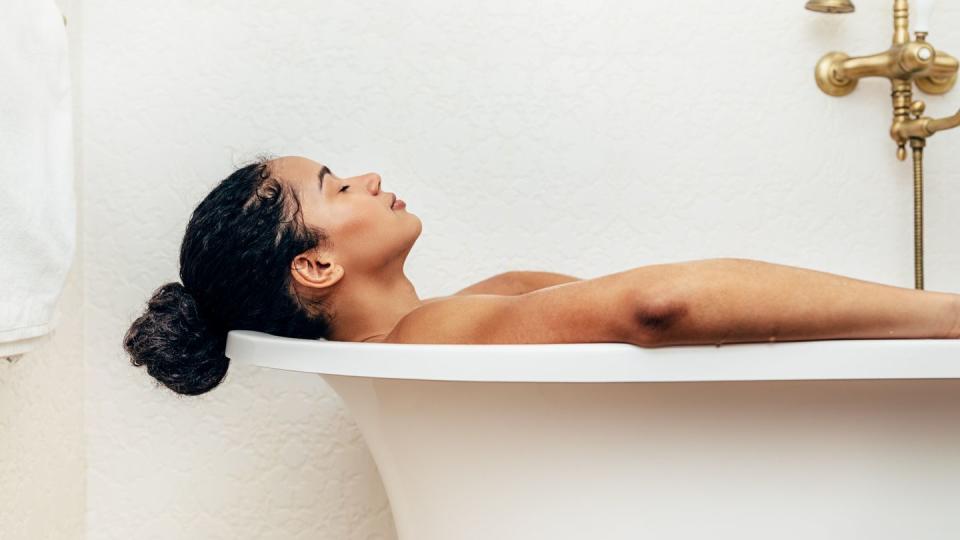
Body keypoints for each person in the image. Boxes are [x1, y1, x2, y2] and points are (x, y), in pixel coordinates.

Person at [123, 155, 960, 396]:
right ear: (316, 263)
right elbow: (660, 305)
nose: (371, 177)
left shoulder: (460, 318)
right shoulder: (429, 339)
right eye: (338, 188)